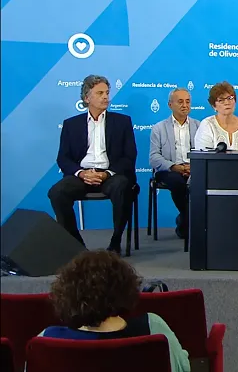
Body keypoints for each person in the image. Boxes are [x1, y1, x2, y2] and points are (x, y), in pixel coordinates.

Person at [39, 250, 190, 372]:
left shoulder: (46, 340)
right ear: (127, 289)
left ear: (66, 295)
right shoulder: (153, 328)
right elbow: (181, 368)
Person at [48, 75, 137, 255]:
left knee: (122, 187)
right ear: (87, 98)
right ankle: (76, 245)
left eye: (107, 93)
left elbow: (129, 156)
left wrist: (106, 174)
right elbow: (63, 158)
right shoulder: (71, 124)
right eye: (100, 93)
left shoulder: (122, 122)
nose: (105, 97)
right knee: (57, 193)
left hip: (111, 175)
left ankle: (115, 242)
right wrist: (81, 173)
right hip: (82, 175)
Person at [149, 88, 200, 239]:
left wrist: (193, 166)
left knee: (202, 181)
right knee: (177, 182)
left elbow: (204, 151)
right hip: (169, 170)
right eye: (180, 102)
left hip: (194, 169)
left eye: (188, 102)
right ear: (170, 105)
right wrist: (173, 166)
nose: (185, 105)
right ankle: (188, 219)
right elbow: (154, 157)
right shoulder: (159, 128)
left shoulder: (199, 126)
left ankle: (183, 221)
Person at [195, 81, 238, 151]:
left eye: (230, 98)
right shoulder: (207, 125)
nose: (227, 103)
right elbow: (203, 155)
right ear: (214, 106)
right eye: (221, 100)